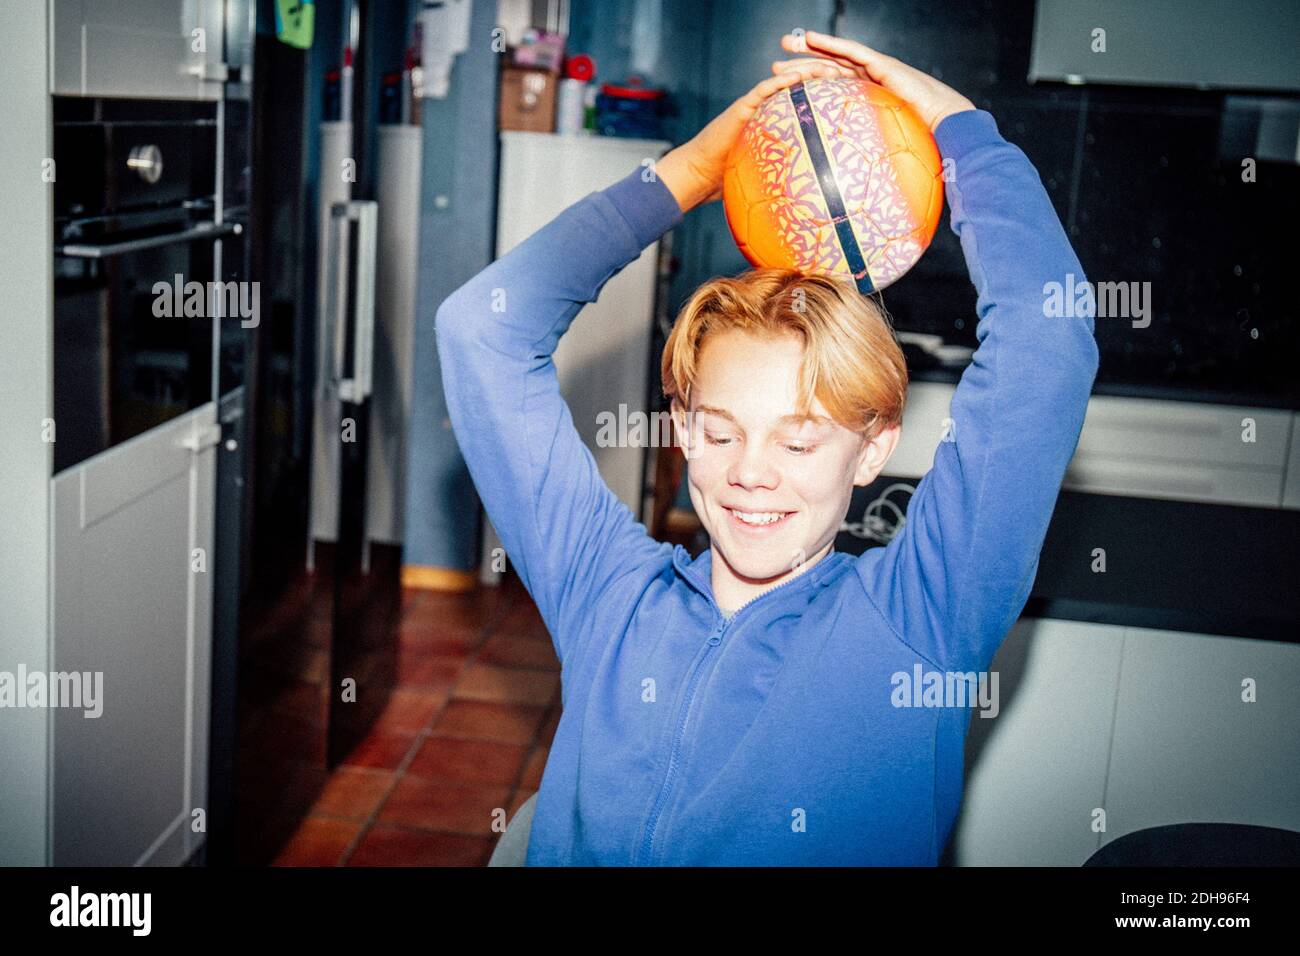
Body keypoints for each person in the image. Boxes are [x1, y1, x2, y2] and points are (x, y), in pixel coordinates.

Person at [435, 30, 1099, 865]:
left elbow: (1051, 341)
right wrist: (684, 176)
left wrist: (961, 129)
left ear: (871, 451)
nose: (751, 473)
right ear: (682, 429)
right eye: (720, 431)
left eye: (801, 441)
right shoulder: (608, 594)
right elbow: (479, 332)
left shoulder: (923, 617)